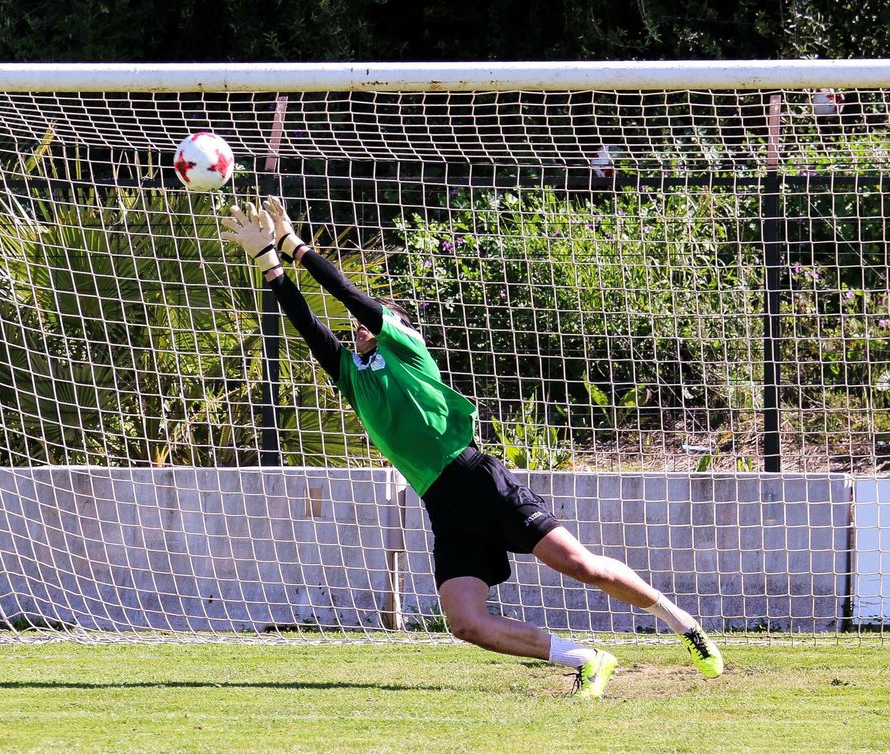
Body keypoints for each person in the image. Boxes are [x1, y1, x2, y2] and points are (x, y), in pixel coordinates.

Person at [221, 198, 724, 699]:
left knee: (582, 567)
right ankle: (586, 658)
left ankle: (680, 622)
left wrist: (291, 246)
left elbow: (349, 295)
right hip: (443, 505)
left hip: (479, 480)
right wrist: (267, 259)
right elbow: (307, 325)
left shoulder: (407, 351)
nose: (360, 325)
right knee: (466, 623)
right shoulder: (353, 376)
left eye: (374, 319)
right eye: (358, 325)